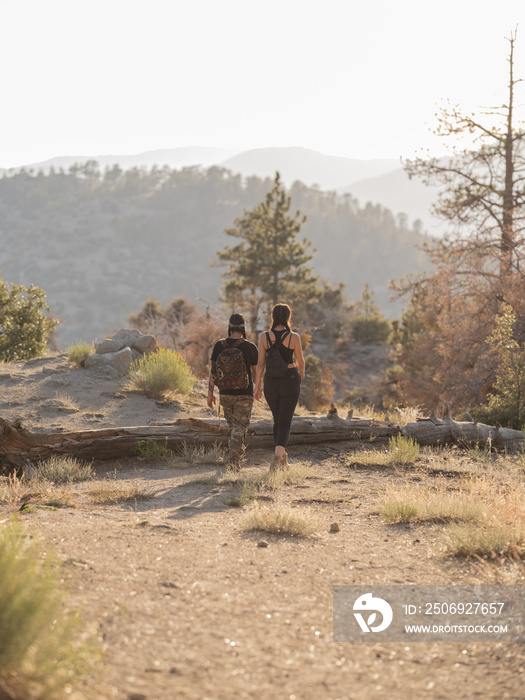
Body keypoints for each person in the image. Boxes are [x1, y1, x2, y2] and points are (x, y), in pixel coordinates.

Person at [254, 303, 305, 469]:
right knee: (285, 422)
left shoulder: (263, 337)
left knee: (277, 420)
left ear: (273, 317)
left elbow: (260, 364)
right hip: (289, 379)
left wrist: (257, 386)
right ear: (289, 317)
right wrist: (301, 374)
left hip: (270, 381)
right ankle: (277, 459)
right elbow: (300, 362)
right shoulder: (294, 337)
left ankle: (283, 461)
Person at [208, 313, 258, 471]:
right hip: (245, 393)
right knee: (239, 426)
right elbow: (256, 373)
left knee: (232, 426)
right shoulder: (250, 347)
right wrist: (258, 389)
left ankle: (232, 457)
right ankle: (234, 462)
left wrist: (210, 393)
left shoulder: (219, 346)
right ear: (243, 328)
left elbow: (213, 372)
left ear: (229, 328)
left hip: (225, 392)